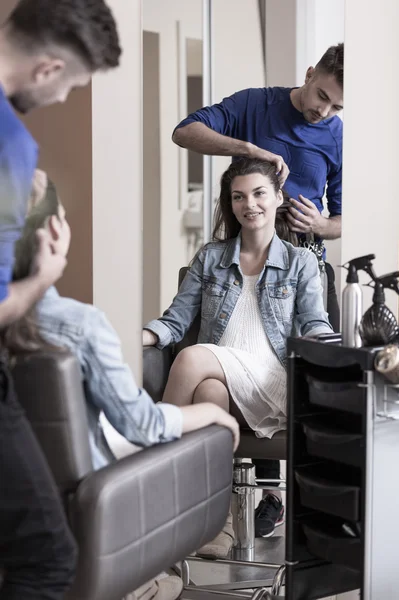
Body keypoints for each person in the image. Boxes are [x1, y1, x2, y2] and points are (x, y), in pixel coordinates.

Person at [4, 175, 240, 600]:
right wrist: (212, 414)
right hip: (94, 509)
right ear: (56, 230)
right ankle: (142, 582)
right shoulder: (81, 324)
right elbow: (142, 425)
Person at [143, 157, 332, 558]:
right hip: (224, 378)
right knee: (209, 392)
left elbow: (315, 323)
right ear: (230, 204)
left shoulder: (301, 262)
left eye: (260, 193)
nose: (250, 204)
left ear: (278, 197)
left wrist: (332, 355)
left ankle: (150, 483)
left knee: (193, 360)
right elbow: (175, 320)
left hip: (271, 380)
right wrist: (141, 336)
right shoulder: (210, 257)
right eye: (239, 196)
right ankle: (219, 526)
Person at [0, 1, 121, 597]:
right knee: (47, 557)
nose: (65, 100)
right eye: (73, 85)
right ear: (48, 68)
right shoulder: (8, 144)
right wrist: (46, 274)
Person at [172, 43, 343, 245]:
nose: (323, 111)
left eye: (336, 107)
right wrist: (248, 149)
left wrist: (320, 225)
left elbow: (343, 220)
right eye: (322, 96)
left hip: (305, 260)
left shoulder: (338, 137)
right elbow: (184, 133)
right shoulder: (253, 104)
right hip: (243, 256)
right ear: (309, 75)